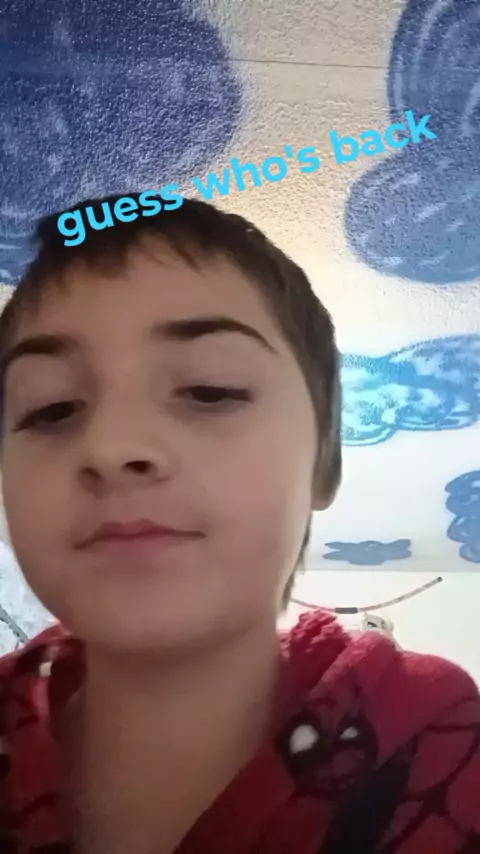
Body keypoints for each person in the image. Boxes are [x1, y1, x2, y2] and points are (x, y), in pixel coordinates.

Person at [0, 194, 478, 854]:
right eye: (51, 408)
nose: (110, 446)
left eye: (210, 390)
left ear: (324, 465)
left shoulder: (445, 744)